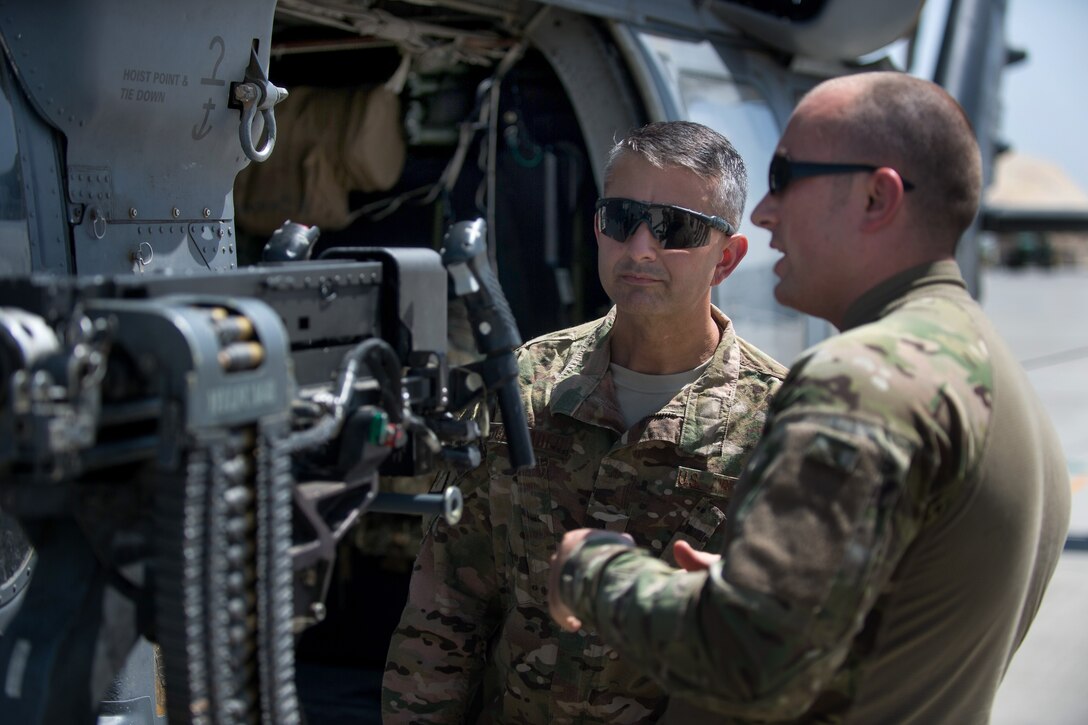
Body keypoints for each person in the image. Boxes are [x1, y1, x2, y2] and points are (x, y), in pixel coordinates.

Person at [548, 71, 1072, 724]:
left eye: (789, 177)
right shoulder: (978, 359)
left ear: (878, 198)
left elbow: (749, 661)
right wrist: (753, 591)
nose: (766, 212)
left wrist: (593, 567)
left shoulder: (865, 376)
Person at [382, 120, 787, 722]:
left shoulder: (777, 423)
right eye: (622, 219)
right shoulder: (525, 382)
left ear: (725, 258)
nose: (642, 248)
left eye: (675, 227)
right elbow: (449, 598)